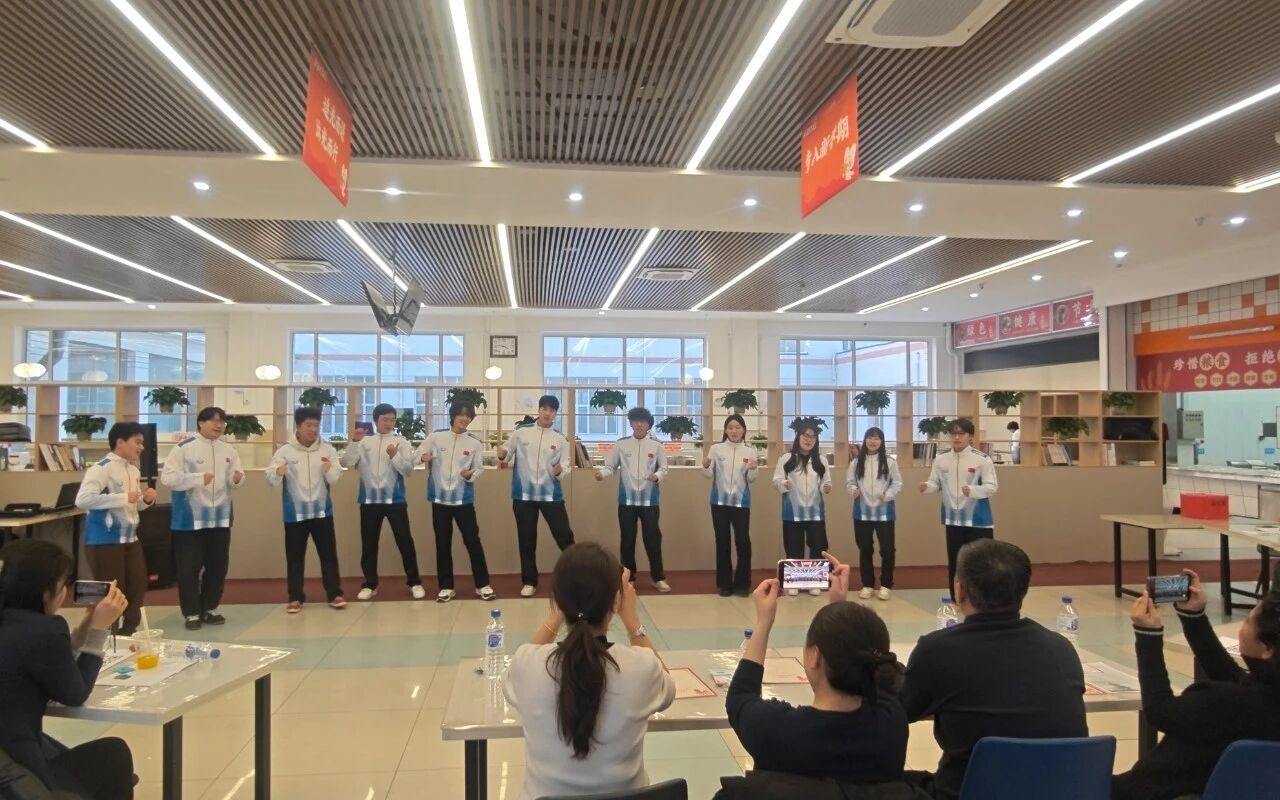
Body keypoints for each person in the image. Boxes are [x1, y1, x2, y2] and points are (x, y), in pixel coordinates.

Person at [898, 539, 1086, 800]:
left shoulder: (938, 650)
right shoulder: (1061, 648)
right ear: (1023, 590)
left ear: (960, 590)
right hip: (1059, 791)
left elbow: (900, 709)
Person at [503, 543, 674, 800]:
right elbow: (669, 687)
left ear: (558, 601)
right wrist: (632, 620)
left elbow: (517, 666)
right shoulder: (642, 666)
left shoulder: (527, 665)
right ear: (616, 601)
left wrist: (557, 615)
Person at [1113, 570, 1280, 800]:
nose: (1243, 626)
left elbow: (1160, 711)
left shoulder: (1222, 703)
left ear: (1267, 648)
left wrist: (1147, 636)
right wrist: (1194, 617)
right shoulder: (1261, 695)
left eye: (1248, 621)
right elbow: (1233, 678)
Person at [725, 575, 907, 784]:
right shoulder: (892, 722)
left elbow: (740, 697)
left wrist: (764, 621)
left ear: (815, 657)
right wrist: (840, 612)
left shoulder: (777, 730)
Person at [0, 539, 135, 799]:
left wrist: (85, 628)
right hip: (21, 774)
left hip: (8, 758)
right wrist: (99, 630)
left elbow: (44, 664)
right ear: (44, 591)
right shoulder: (44, 629)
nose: (65, 592)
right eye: (62, 585)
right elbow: (74, 693)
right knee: (114, 754)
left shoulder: (18, 624)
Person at [161, 406, 244, 631]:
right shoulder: (183, 448)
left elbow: (236, 478)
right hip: (190, 521)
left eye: (222, 422)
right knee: (188, 568)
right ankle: (191, 613)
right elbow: (167, 478)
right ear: (200, 423)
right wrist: (198, 478)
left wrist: (237, 479)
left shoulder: (229, 449)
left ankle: (209, 607)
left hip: (220, 518)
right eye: (214, 421)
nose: (219, 425)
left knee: (218, 566)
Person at [75, 421, 157, 636]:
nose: (141, 447)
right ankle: (104, 635)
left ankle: (128, 631)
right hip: (104, 540)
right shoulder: (101, 468)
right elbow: (82, 500)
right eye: (137, 442)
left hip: (130, 539)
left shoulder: (133, 469)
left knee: (136, 586)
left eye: (142, 443)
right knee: (110, 592)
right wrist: (122, 497)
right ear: (120, 442)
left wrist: (146, 500)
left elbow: (132, 504)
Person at [265, 407, 345, 613]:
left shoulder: (328, 450)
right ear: (298, 426)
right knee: (295, 557)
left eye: (316, 425)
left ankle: (335, 594)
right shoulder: (285, 451)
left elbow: (335, 479)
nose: (313, 429)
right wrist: (278, 472)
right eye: (308, 425)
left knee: (329, 555)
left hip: (322, 512)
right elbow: (270, 478)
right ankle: (295, 597)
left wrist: (329, 471)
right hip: (295, 514)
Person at [340, 403, 423, 601]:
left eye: (392, 420)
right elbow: (345, 463)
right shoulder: (364, 442)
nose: (389, 423)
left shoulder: (401, 442)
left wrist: (394, 456)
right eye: (385, 419)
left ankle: (414, 582)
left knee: (405, 542)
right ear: (376, 420)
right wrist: (354, 442)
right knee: (369, 544)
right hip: (369, 501)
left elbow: (408, 471)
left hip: (395, 500)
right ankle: (370, 584)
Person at [416, 402, 495, 603]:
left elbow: (479, 469)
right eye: (461, 415)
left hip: (463, 501)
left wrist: (470, 475)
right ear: (453, 415)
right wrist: (423, 457)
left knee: (473, 542)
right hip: (439, 499)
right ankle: (446, 587)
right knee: (442, 543)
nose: (465, 419)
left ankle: (483, 585)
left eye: (468, 416)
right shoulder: (436, 437)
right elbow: (417, 455)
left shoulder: (474, 443)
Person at [498, 395, 576, 597]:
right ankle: (529, 582)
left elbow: (567, 465)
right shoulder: (521, 432)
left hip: (551, 496)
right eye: (545, 409)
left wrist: (561, 470)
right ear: (539, 410)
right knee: (526, 540)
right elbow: (506, 453)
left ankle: (577, 577)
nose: (548, 413)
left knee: (565, 536)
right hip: (523, 496)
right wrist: (502, 454)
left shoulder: (560, 439)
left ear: (555, 414)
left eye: (552, 410)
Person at [595, 407, 670, 593]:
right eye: (635, 421)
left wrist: (657, 476)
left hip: (649, 502)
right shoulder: (621, 444)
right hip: (626, 502)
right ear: (630, 423)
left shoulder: (657, 446)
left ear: (648, 424)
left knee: (653, 540)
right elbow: (610, 466)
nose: (639, 424)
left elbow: (664, 469)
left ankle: (658, 578)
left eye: (642, 421)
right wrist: (602, 474)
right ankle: (629, 578)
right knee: (627, 540)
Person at [918, 418, 998, 592]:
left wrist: (973, 490)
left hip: (978, 521)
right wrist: (927, 487)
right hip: (952, 519)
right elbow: (935, 483)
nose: (956, 437)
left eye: (961, 433)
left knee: (981, 563)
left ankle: (982, 599)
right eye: (953, 433)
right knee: (955, 562)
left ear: (970, 436)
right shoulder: (941, 459)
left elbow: (992, 487)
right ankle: (956, 598)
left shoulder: (982, 459)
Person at [773, 423, 832, 596]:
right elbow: (777, 479)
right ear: (798, 437)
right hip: (792, 512)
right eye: (805, 436)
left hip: (815, 512)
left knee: (818, 546)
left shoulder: (821, 460)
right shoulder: (787, 458)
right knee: (793, 546)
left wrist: (826, 487)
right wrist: (784, 484)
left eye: (812, 437)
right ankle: (794, 581)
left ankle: (814, 581)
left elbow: (826, 481)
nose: (809, 440)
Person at [702, 414, 757, 597]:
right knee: (722, 541)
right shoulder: (716, 449)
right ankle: (724, 584)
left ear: (743, 430)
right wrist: (705, 466)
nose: (734, 431)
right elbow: (708, 475)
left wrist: (753, 470)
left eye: (738, 428)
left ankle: (742, 584)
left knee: (743, 542)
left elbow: (752, 479)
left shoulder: (749, 451)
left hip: (742, 503)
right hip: (719, 502)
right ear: (725, 430)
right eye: (730, 427)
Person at [847, 426, 902, 602]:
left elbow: (897, 483)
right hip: (861, 513)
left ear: (882, 442)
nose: (873, 441)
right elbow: (850, 482)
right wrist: (853, 490)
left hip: (884, 512)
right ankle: (868, 584)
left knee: (887, 549)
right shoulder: (856, 462)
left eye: (877, 438)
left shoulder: (890, 462)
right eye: (870, 437)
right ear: (865, 440)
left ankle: (886, 584)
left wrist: (888, 495)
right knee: (865, 549)